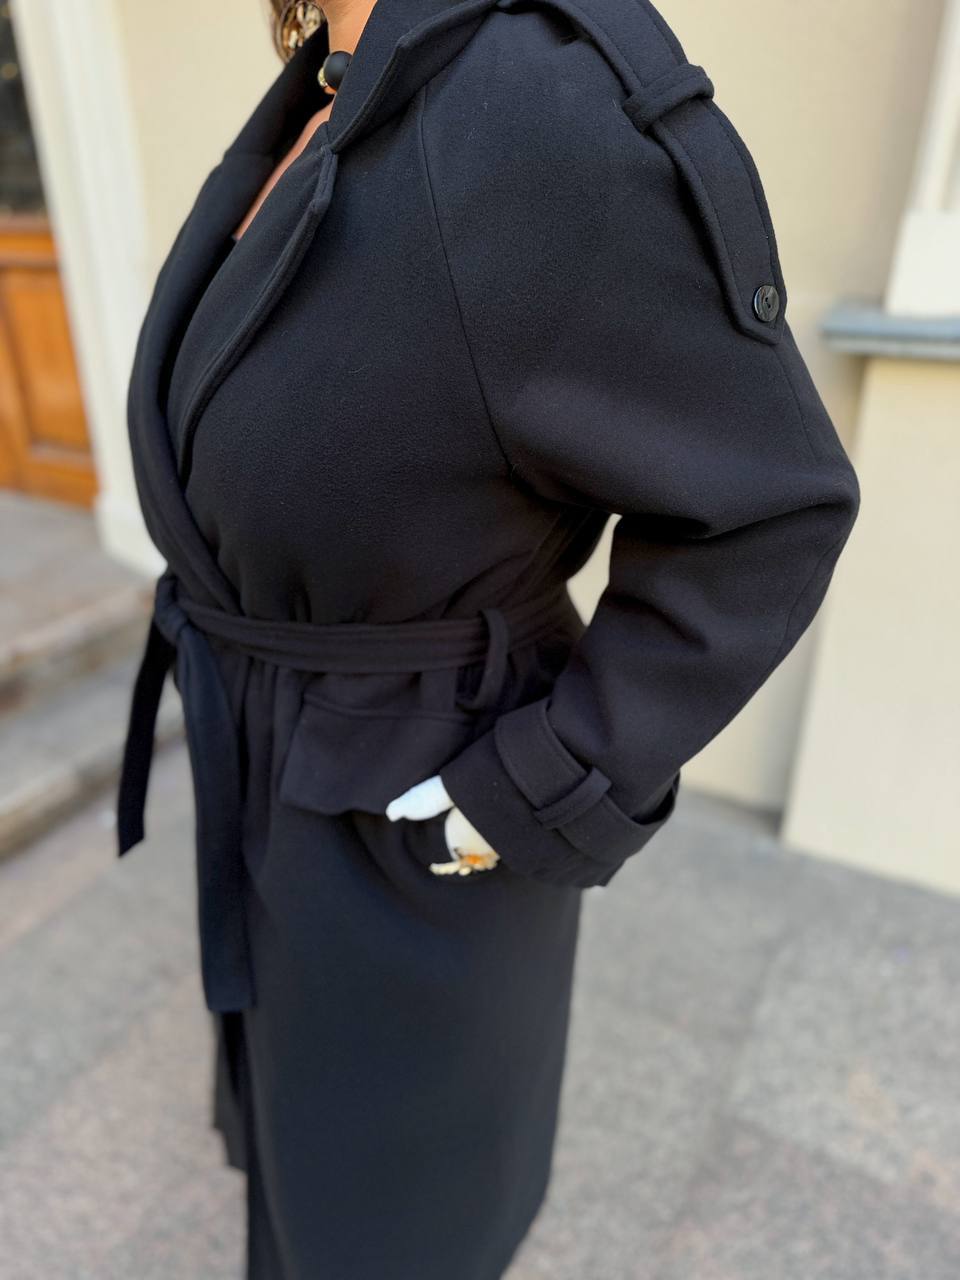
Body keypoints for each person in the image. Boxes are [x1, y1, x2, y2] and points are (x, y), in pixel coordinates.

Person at [116, 0, 861, 1276]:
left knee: (389, 1221)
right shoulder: (336, 82)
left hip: (403, 807)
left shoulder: (531, 111)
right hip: (274, 762)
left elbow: (766, 504)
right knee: (303, 1174)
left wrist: (537, 786)